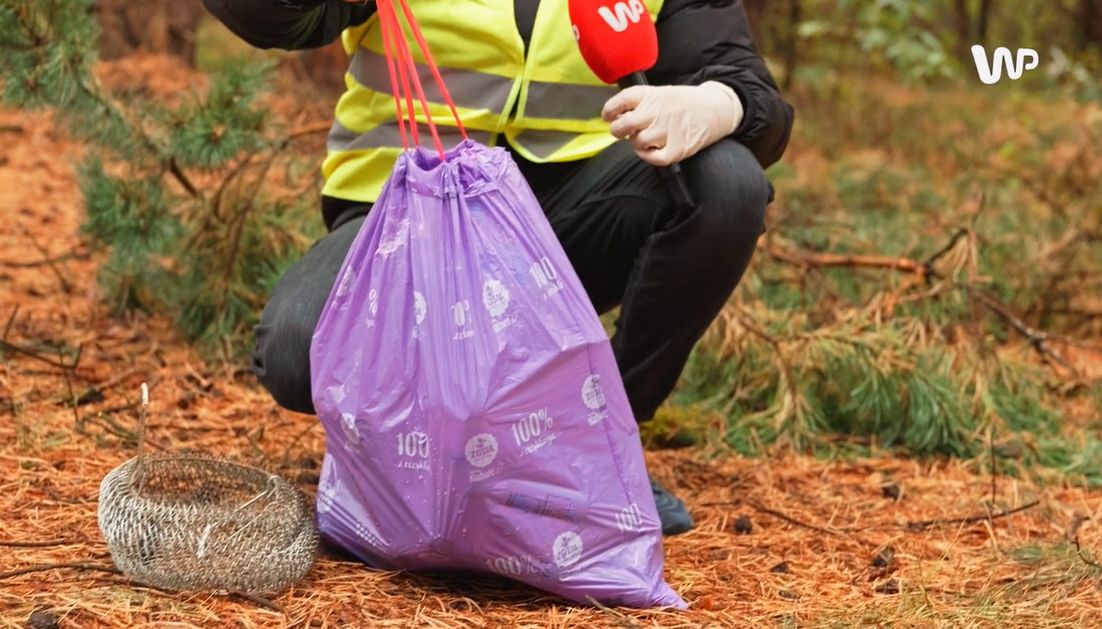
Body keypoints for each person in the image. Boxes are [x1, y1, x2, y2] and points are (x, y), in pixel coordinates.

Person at [204, 0, 794, 536]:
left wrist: (718, 104)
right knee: (296, 345)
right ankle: (423, 457)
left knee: (729, 183)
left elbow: (753, 91)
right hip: (404, 217)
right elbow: (277, 18)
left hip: (565, 231)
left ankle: (595, 446)